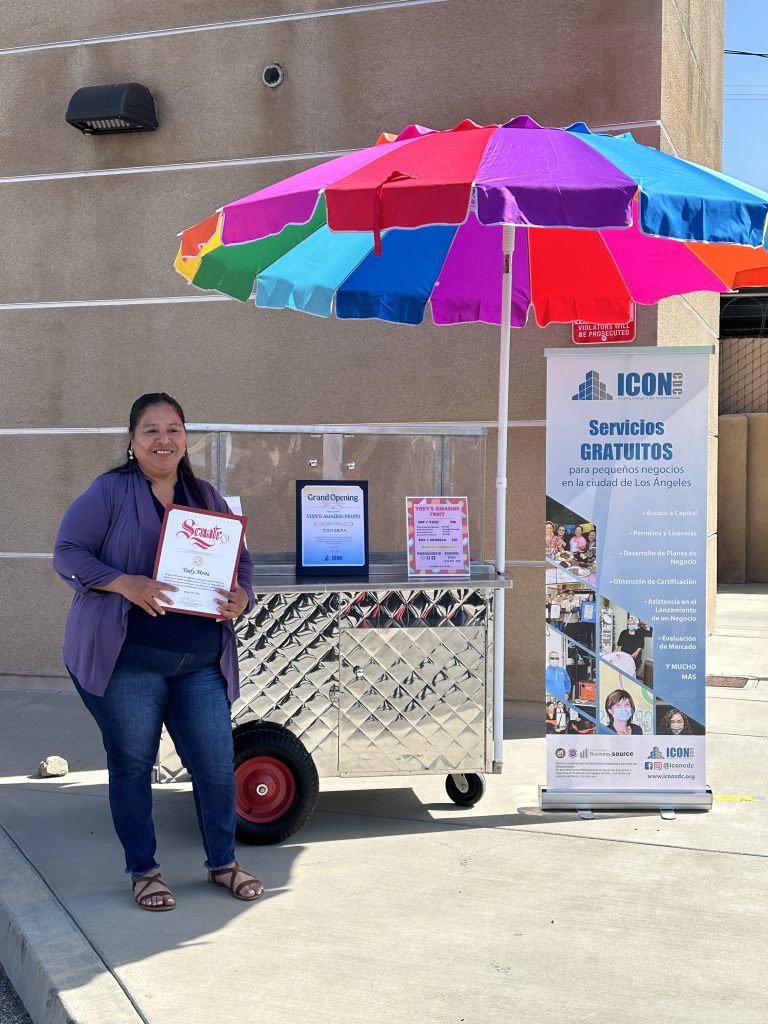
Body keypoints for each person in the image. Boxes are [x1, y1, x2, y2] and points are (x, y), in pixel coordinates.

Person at [53, 393, 263, 912]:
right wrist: (124, 582)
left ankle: (223, 864)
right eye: (151, 430)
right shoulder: (109, 492)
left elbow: (241, 562)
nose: (163, 439)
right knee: (132, 766)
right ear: (132, 439)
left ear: (186, 437)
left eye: (173, 429)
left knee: (215, 766)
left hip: (199, 664)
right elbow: (67, 554)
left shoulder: (207, 496)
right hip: (129, 661)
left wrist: (242, 595)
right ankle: (144, 872)